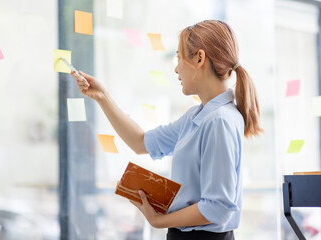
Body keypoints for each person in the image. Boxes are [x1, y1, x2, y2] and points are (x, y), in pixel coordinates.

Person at [71, 20, 262, 240]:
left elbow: (218, 207)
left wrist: (159, 221)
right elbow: (141, 142)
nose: (176, 68)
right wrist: (102, 96)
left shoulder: (219, 120)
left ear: (199, 58)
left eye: (179, 58)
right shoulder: (197, 116)